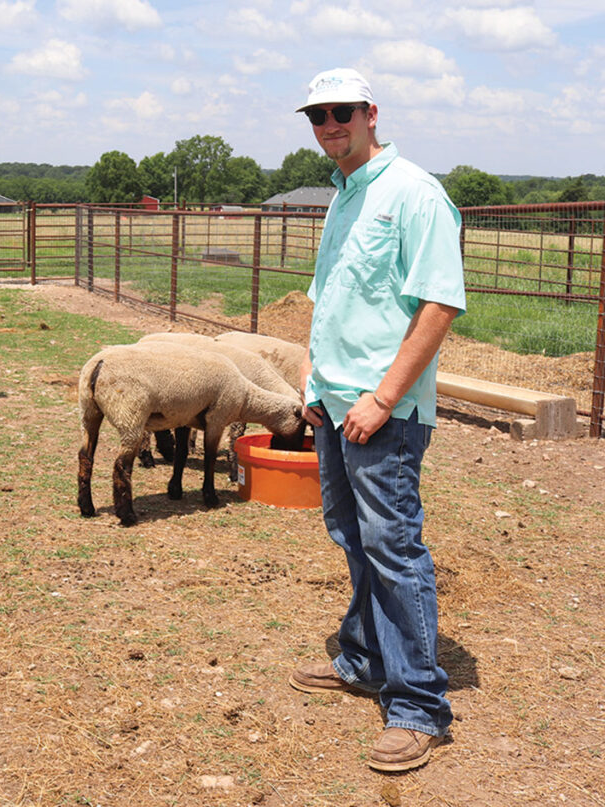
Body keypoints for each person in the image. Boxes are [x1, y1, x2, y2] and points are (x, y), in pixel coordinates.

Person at [288, 67, 467, 772]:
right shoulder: (344, 197)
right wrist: (313, 381)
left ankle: (418, 705)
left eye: (340, 112)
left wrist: (384, 396)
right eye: (316, 115)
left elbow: (438, 304)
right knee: (352, 534)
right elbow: (330, 298)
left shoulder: (413, 194)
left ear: (370, 113)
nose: (328, 125)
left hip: (380, 411)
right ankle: (363, 657)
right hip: (336, 402)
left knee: (393, 547)